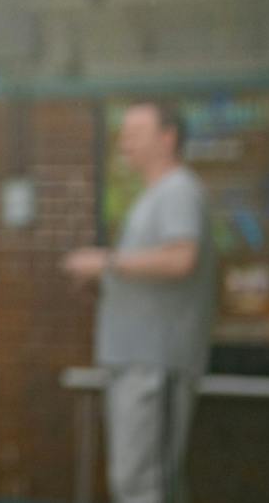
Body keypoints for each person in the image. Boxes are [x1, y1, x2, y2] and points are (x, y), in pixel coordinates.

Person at [62, 100, 215, 503]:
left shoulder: (179, 190)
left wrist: (106, 262)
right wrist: (102, 280)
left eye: (135, 132)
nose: (123, 141)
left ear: (168, 138)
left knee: (147, 485)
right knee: (135, 483)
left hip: (157, 364)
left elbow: (183, 258)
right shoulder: (153, 196)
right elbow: (150, 274)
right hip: (135, 362)